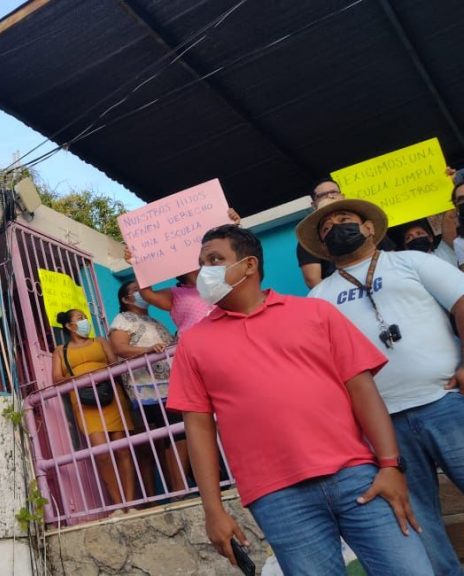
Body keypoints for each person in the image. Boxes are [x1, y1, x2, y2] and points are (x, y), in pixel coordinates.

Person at [168, 224, 432, 575]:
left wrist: (390, 465)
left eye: (215, 260)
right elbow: (198, 428)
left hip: (357, 476)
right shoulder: (192, 344)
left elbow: (362, 390)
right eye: (202, 263)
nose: (205, 271)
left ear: (249, 265)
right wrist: (212, 510)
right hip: (277, 498)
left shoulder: (315, 312)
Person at [298, 198, 464, 575]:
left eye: (344, 219)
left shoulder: (411, 262)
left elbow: (460, 301)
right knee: (420, 525)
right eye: (327, 228)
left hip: (446, 401)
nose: (336, 227)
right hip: (383, 428)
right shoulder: (318, 298)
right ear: (322, 245)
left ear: (369, 227)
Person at [51, 309, 140, 508]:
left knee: (123, 450)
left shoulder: (99, 341)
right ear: (69, 326)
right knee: (101, 453)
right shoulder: (60, 351)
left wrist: (100, 375)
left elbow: (114, 364)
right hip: (83, 401)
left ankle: (131, 503)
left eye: (85, 317)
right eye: (80, 318)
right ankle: (118, 504)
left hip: (111, 395)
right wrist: (80, 379)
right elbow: (56, 378)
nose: (85, 321)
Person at [109, 282, 190, 496]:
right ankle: (179, 489)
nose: (143, 292)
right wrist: (147, 351)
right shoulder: (123, 319)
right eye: (136, 290)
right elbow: (119, 347)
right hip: (148, 390)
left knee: (176, 435)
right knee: (174, 434)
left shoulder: (155, 321)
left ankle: (179, 488)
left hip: (170, 387)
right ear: (126, 299)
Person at [124, 209, 241, 335]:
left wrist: (234, 226)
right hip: (197, 345)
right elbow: (148, 295)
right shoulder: (176, 294)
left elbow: (237, 254)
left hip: (233, 337)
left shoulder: (226, 281)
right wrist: (137, 264)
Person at [297, 179, 396, 288]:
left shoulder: (406, 262)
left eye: (334, 192)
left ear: (368, 228)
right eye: (323, 195)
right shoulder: (309, 242)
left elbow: (392, 258)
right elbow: (312, 280)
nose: (330, 196)